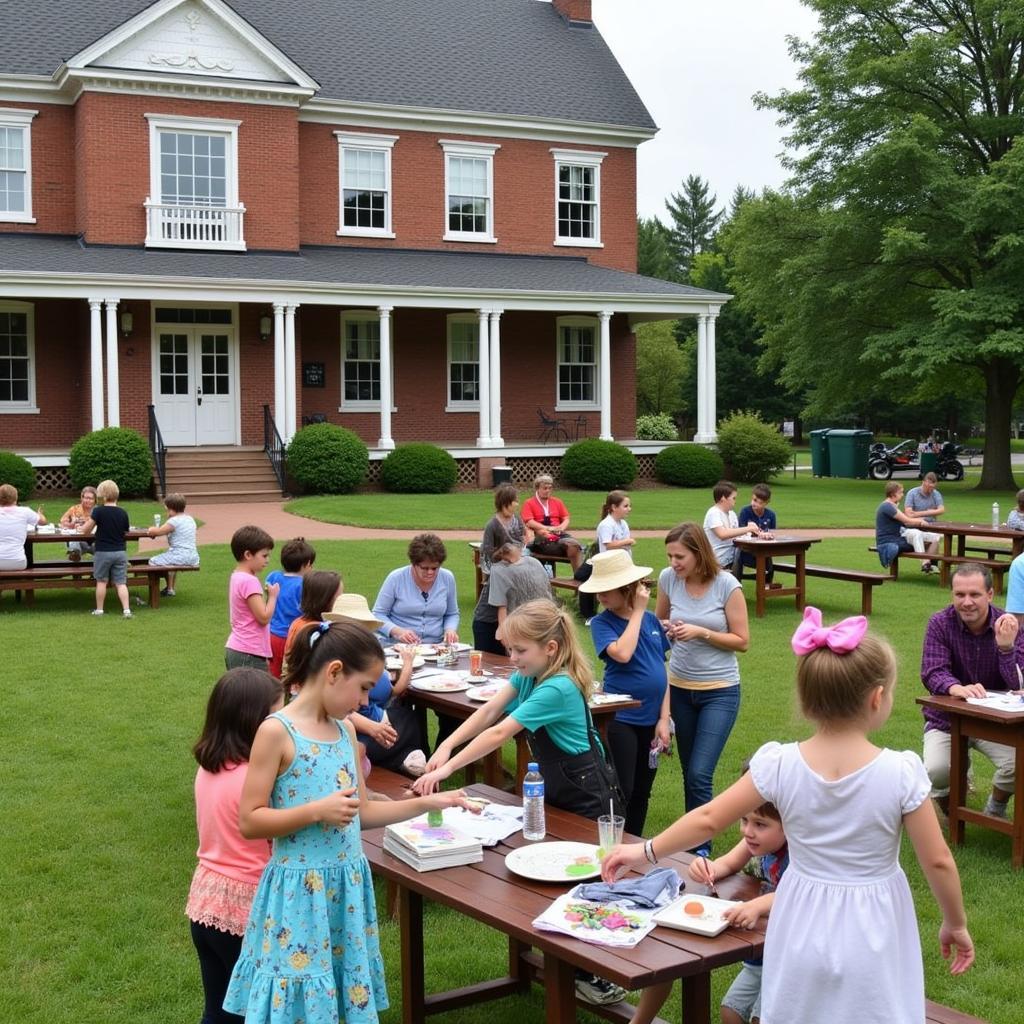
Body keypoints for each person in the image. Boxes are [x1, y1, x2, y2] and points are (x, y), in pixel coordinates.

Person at [603, 608, 975, 1024]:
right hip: (875, 920)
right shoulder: (902, 772)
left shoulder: (779, 764)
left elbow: (708, 818)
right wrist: (954, 923)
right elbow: (938, 860)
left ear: (807, 697)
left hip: (800, 912)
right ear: (876, 697)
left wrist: (644, 852)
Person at [223, 621, 478, 1024]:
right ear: (334, 671)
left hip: (346, 884)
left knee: (339, 995)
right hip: (299, 893)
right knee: (298, 1000)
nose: (364, 702)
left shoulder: (344, 732)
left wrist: (435, 801)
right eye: (363, 688)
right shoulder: (276, 732)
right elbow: (249, 821)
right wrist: (315, 812)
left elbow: (364, 811)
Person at [412, 599, 628, 1006]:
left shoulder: (559, 686)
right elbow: (489, 710)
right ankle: (568, 968)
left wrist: (444, 769)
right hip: (562, 790)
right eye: (510, 650)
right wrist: (448, 747)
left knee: (584, 884)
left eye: (519, 650)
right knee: (553, 881)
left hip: (589, 795)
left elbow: (499, 734)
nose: (513, 658)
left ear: (550, 648)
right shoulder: (529, 674)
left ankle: (595, 975)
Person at [630, 777, 789, 1024]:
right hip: (759, 959)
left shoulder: (800, 855)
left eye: (760, 824)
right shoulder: (753, 841)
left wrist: (757, 905)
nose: (748, 831)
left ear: (789, 825)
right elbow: (726, 863)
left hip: (787, 958)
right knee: (731, 1011)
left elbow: (797, 895)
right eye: (744, 820)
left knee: (762, 1018)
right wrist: (707, 868)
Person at [186, 667, 283, 1024]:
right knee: (259, 1012)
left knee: (218, 1011)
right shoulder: (255, 782)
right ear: (254, 722)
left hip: (206, 900)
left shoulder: (209, 767)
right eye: (277, 716)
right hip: (247, 907)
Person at [656, 522, 749, 855]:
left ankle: (701, 849)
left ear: (698, 553)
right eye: (670, 556)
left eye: (679, 556)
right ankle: (691, 839)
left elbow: (742, 641)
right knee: (688, 772)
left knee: (699, 771)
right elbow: (658, 625)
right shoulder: (669, 580)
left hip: (719, 691)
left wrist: (700, 632)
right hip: (679, 688)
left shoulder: (727, 585)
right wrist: (666, 629)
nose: (673, 563)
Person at [921, 563, 1022, 820]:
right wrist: (957, 688)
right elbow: (933, 672)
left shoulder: (1008, 625)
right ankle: (950, 808)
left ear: (989, 594)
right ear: (952, 594)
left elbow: (1017, 685)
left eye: (974, 594)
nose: (967, 602)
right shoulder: (940, 623)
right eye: (960, 595)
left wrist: (1006, 648)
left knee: (1019, 764)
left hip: (996, 720)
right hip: (946, 719)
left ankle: (995, 807)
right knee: (937, 770)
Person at [581, 550, 670, 836]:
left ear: (627, 587)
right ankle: (614, 843)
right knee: (623, 788)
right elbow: (623, 653)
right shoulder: (602, 623)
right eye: (599, 591)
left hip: (652, 719)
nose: (601, 597)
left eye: (606, 590)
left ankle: (634, 845)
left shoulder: (652, 622)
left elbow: (661, 671)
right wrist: (640, 612)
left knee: (644, 790)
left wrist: (664, 719)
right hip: (622, 719)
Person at [325, 592, 427, 777]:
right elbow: (393, 691)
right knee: (407, 720)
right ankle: (406, 760)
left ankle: (407, 759)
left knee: (402, 720)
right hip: (361, 730)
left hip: (361, 727)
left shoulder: (339, 652)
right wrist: (372, 727)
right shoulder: (351, 660)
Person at [373, 533, 459, 646]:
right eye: (424, 568)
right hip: (398, 645)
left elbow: (452, 613)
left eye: (435, 568)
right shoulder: (396, 578)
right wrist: (398, 631)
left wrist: (450, 629)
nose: (430, 572)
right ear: (413, 564)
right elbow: (377, 614)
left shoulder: (447, 578)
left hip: (435, 646)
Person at [473, 540, 552, 654]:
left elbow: (545, 596)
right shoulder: (499, 570)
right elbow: (502, 608)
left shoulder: (533, 563)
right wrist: (505, 633)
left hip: (524, 618)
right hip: (490, 623)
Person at [224, 525, 279, 670]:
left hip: (239, 649)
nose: (267, 560)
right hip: (248, 652)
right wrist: (273, 597)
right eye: (264, 555)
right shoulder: (250, 581)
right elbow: (264, 617)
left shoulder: (237, 576)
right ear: (248, 555)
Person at [576, 490, 635, 620]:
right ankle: (589, 616)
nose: (629, 509)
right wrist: (627, 542)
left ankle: (627, 610)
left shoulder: (623, 523)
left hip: (620, 562)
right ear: (614, 507)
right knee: (601, 588)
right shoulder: (606, 525)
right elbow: (608, 545)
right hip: (607, 563)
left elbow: (624, 546)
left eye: (629, 506)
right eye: (625, 506)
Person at [280, 570, 344, 688]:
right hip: (306, 689)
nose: (342, 602)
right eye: (339, 598)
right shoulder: (317, 630)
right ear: (325, 599)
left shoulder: (299, 622)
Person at [79, 479, 131, 617]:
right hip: (120, 551)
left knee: (101, 581)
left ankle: (100, 609)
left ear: (102, 495)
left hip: (103, 551)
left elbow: (86, 530)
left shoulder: (98, 511)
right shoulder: (123, 512)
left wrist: (80, 527)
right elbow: (125, 530)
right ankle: (126, 610)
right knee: (121, 582)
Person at [265, 537, 316, 678]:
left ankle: (273, 696)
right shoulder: (304, 584)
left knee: (273, 672)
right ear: (306, 565)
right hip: (293, 636)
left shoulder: (274, 576)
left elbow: (267, 591)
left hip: (272, 633)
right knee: (293, 672)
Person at [521, 473, 584, 570]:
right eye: (545, 488)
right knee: (572, 546)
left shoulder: (557, 502)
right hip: (541, 537)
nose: (548, 491)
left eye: (550, 488)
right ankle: (579, 575)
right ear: (537, 488)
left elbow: (566, 518)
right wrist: (548, 528)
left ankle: (579, 576)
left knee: (573, 546)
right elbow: (529, 522)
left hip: (559, 534)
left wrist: (561, 527)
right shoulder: (529, 503)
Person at [875, 481, 939, 571]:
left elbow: (905, 521)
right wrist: (920, 521)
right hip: (890, 541)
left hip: (898, 537)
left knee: (936, 538)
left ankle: (927, 563)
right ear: (893, 494)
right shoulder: (887, 507)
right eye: (900, 492)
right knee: (917, 535)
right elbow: (906, 520)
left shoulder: (892, 505)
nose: (902, 495)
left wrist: (917, 519)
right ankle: (925, 563)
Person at [145, 492, 199, 596]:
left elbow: (156, 532)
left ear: (171, 508)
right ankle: (170, 589)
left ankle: (154, 593)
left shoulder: (174, 521)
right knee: (170, 558)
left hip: (180, 556)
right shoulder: (190, 519)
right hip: (193, 556)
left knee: (153, 561)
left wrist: (151, 529)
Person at [703, 481, 761, 575]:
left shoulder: (732, 514)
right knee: (746, 554)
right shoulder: (713, 513)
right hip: (717, 560)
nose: (735, 500)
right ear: (723, 498)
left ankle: (765, 575)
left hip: (732, 557)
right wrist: (748, 528)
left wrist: (757, 533)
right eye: (733, 498)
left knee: (761, 554)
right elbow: (722, 534)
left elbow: (736, 535)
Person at [737, 483, 779, 587]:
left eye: (758, 502)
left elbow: (773, 533)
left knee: (768, 559)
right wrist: (753, 532)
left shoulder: (771, 515)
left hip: (764, 550)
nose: (754, 503)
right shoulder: (745, 512)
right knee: (737, 557)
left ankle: (767, 585)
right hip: (746, 550)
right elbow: (740, 533)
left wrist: (768, 535)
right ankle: (737, 585)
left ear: (766, 503)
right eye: (753, 499)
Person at [903, 472, 944, 572]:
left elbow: (941, 510)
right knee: (920, 536)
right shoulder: (912, 493)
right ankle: (928, 564)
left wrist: (918, 513)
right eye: (929, 486)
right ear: (923, 482)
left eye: (933, 487)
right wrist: (928, 512)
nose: (931, 490)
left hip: (931, 525)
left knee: (937, 539)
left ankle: (927, 564)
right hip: (914, 526)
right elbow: (908, 514)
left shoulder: (935, 493)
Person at [0, 483, 45, 571]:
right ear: (16, 498)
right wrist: (39, 514)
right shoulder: (24, 511)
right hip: (18, 561)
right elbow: (43, 522)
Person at [59, 484, 96, 561]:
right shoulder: (74, 509)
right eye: (86, 498)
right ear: (81, 498)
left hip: (94, 540)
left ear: (95, 500)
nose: (88, 500)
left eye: (91, 498)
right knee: (74, 541)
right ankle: (75, 554)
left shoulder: (98, 511)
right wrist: (71, 524)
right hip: (78, 541)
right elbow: (62, 522)